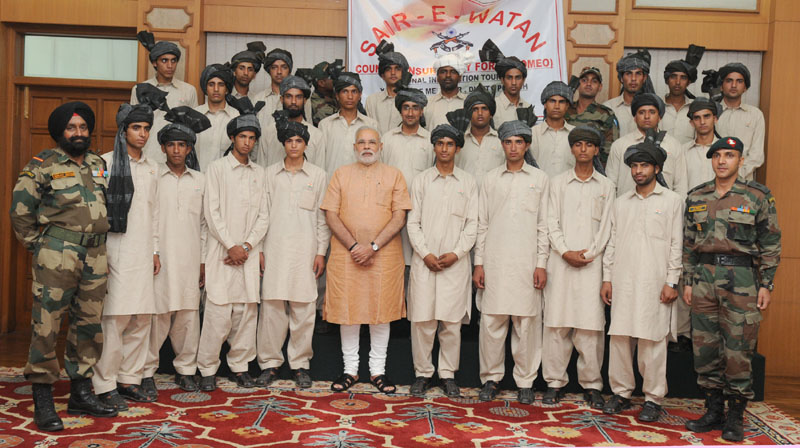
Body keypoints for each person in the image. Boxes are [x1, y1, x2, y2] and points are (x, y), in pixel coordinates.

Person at [10, 102, 117, 431]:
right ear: (60, 132)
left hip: (96, 254)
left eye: (83, 127)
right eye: (72, 128)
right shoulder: (43, 165)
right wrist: (41, 246)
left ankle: (81, 393)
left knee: (88, 325)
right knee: (47, 325)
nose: (78, 133)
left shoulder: (98, 163)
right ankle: (42, 398)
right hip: (57, 254)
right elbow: (20, 211)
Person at [683, 136, 781, 442]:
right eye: (717, 156)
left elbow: (770, 243)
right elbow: (688, 244)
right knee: (705, 348)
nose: (722, 161)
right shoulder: (697, 196)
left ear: (740, 160)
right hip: (704, 278)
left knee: (738, 349)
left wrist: (766, 284)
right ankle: (713, 410)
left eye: (729, 155)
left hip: (742, 279)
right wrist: (688, 281)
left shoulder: (757, 196)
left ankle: (736, 415)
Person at [321, 126, 411, 394]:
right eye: (362, 142)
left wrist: (372, 247)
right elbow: (331, 215)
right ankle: (350, 370)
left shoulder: (394, 175)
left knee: (381, 312)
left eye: (372, 142)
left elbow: (399, 216)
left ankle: (377, 371)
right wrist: (354, 246)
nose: (367, 146)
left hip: (383, 255)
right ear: (354, 147)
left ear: (381, 146)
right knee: (348, 312)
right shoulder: (341, 174)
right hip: (346, 254)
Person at [600, 138, 683, 422]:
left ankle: (653, 398)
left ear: (657, 168)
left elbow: (677, 244)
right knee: (620, 338)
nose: (638, 171)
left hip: (655, 283)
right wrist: (607, 279)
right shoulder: (621, 203)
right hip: (623, 280)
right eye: (634, 166)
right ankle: (621, 392)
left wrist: (672, 281)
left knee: (652, 340)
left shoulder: (672, 201)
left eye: (644, 165)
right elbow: (611, 243)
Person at [473, 120, 549, 405]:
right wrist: (478, 263)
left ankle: (525, 381)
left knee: (526, 325)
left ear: (527, 145)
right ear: (502, 145)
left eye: (519, 142)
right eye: (508, 142)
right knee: (491, 323)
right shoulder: (490, 179)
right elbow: (482, 223)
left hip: (528, 263)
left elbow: (544, 225)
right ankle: (490, 379)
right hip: (495, 262)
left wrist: (541, 263)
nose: (513, 147)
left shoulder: (540, 179)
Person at [92, 101, 162, 411]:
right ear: (123, 130)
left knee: (141, 318)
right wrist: (99, 254)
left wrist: (155, 250)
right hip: (114, 251)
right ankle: (104, 383)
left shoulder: (153, 167)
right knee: (114, 320)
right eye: (136, 128)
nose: (142, 134)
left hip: (143, 252)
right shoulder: (103, 164)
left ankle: (129, 379)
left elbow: (155, 213)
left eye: (146, 128)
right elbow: (94, 212)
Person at [197, 104, 270, 391]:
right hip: (222, 251)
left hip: (248, 253)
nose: (247, 142)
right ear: (232, 138)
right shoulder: (216, 169)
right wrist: (231, 246)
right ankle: (207, 369)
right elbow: (211, 212)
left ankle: (240, 367)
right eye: (242, 137)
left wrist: (247, 246)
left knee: (245, 314)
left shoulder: (259, 172)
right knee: (218, 314)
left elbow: (264, 214)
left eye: (252, 138)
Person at [542, 126, 614, 408]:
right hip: (560, 263)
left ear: (596, 150)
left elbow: (607, 227)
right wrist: (565, 251)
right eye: (578, 144)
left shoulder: (606, 186)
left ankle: (592, 385)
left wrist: (589, 253)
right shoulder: (557, 183)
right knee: (556, 325)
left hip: (592, 265)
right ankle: (554, 382)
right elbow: (550, 222)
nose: (583, 149)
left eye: (589, 145)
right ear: (572, 149)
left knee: (590, 328)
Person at [255, 118, 330, 389]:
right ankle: (270, 364)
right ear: (283, 144)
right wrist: (259, 249)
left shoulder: (318, 176)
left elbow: (323, 218)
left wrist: (321, 252)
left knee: (304, 309)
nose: (294, 145)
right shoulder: (269, 174)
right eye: (289, 141)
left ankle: (300, 364)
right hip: (274, 249)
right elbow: (261, 214)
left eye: (299, 141)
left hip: (306, 251)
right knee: (272, 310)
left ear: (306, 145)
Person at [142, 109, 211, 394]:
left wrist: (203, 261)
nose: (176, 150)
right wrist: (154, 251)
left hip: (191, 259)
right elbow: (149, 218)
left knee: (188, 316)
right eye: (171, 145)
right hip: (161, 259)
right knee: (157, 316)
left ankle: (186, 370)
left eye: (182, 145)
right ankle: (146, 371)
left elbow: (205, 225)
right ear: (162, 148)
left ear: (190, 148)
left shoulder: (201, 180)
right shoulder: (154, 176)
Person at [407, 124, 477, 398]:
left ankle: (447, 374)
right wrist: (425, 254)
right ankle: (422, 374)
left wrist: (456, 253)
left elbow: (472, 224)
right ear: (434, 147)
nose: (444, 149)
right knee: (423, 322)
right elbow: (413, 223)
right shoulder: (421, 181)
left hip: (455, 264)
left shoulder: (468, 182)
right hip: (425, 261)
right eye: (440, 143)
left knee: (451, 323)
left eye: (450, 144)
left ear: (458, 148)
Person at [381, 87, 433, 267]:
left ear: (422, 111)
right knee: (394, 255)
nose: (410, 113)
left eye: (415, 108)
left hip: (422, 206)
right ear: (400, 110)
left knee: (420, 254)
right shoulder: (387, 139)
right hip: (391, 207)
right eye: (406, 107)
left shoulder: (430, 140)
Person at [606, 93, 688, 197]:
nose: (647, 116)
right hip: (628, 205)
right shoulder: (620, 145)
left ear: (659, 117)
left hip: (664, 205)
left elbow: (680, 186)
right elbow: (610, 185)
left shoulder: (673, 145)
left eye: (652, 112)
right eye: (641, 112)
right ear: (635, 117)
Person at [255, 76, 324, 168]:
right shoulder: (269, 132)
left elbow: (319, 171)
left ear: (305, 101)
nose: (293, 102)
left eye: (298, 97)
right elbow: (261, 167)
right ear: (281, 99)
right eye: (289, 96)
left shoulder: (316, 135)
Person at [320, 72, 378, 175]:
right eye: (345, 91)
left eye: (354, 91)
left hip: (362, 182)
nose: (350, 96)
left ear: (360, 95)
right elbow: (320, 161)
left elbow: (376, 161)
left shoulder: (371, 125)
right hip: (333, 183)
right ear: (337, 96)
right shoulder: (325, 125)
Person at [715, 63, 765, 181]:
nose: (734, 85)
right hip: (713, 178)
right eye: (729, 81)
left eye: (739, 81)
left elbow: (756, 155)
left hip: (743, 181)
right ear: (721, 86)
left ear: (745, 87)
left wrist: (737, 173)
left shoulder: (755, 115)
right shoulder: (711, 113)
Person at [565, 67, 619, 166]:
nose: (589, 84)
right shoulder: (565, 109)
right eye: (584, 80)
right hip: (564, 165)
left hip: (592, 168)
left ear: (600, 87)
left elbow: (610, 148)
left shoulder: (606, 114)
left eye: (594, 81)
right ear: (578, 84)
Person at [131, 31, 197, 109]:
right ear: (154, 63)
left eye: (173, 61)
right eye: (164, 60)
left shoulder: (189, 90)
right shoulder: (140, 90)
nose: (170, 66)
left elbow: (195, 117)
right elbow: (134, 116)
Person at [452, 85, 504, 184]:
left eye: (484, 108)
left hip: (494, 193)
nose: (480, 113)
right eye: (475, 109)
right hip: (464, 192)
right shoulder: (458, 141)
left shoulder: (501, 140)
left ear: (491, 114)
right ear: (468, 114)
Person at [193, 64, 240, 171]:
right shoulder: (195, 115)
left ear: (227, 89)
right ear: (205, 88)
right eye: (211, 84)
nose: (216, 89)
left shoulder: (236, 116)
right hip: (198, 177)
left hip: (227, 177)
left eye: (221, 84)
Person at [478, 39, 531, 128]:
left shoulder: (528, 108)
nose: (513, 83)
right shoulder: (492, 107)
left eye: (518, 77)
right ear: (502, 80)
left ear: (523, 80)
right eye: (509, 78)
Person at [530, 81, 576, 177]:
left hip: (569, 186)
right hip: (539, 186)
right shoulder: (533, 133)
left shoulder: (576, 134)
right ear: (545, 104)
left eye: (561, 102)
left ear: (567, 106)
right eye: (552, 101)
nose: (557, 106)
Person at [253, 47, 313, 121]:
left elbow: (308, 124)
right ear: (269, 70)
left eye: (284, 67)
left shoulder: (300, 98)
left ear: (289, 70)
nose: (279, 72)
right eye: (274, 67)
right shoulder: (258, 98)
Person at [661, 47, 705, 144]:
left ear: (688, 82)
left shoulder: (696, 108)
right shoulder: (656, 106)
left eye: (683, 78)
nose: (677, 82)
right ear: (667, 80)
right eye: (673, 77)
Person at [604, 51, 651, 137]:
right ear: (621, 78)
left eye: (638, 74)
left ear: (644, 78)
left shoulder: (653, 109)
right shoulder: (608, 108)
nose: (633, 78)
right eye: (629, 73)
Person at [366, 41, 408, 133]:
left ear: (403, 73)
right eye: (388, 69)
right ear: (382, 75)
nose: (393, 73)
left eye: (397, 69)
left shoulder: (410, 100)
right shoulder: (372, 101)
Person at [425, 53, 469, 131]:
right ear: (437, 78)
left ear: (460, 77)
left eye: (453, 72)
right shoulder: (427, 104)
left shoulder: (469, 103)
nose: (448, 75)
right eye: (443, 72)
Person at [684, 98, 720, 189]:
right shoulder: (683, 151)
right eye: (697, 118)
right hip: (689, 198)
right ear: (692, 123)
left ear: (715, 119)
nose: (702, 122)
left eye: (706, 116)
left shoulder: (724, 149)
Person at [309, 60, 340, 126]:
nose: (337, 79)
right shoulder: (319, 107)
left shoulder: (332, 96)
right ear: (321, 83)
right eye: (332, 77)